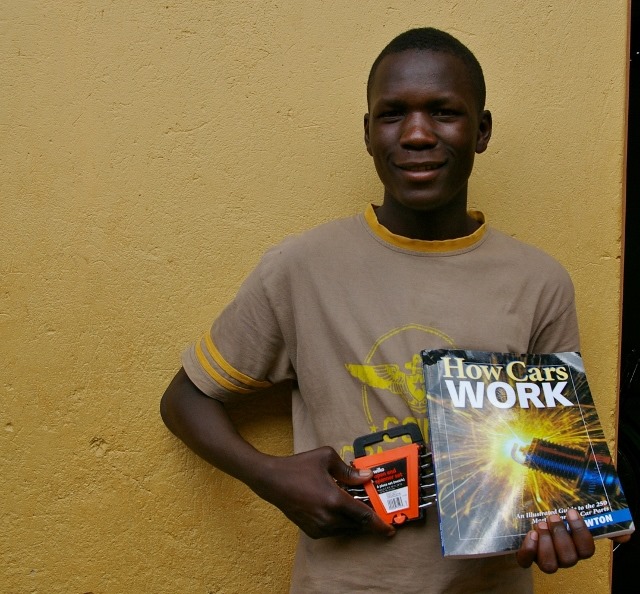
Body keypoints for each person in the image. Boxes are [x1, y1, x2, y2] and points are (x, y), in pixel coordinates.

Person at [161, 27, 629, 593]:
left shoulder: (540, 283)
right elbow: (185, 399)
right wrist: (271, 476)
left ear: (480, 131)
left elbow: (551, 468)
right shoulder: (301, 268)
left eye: (444, 112)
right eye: (391, 114)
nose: (416, 134)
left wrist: (561, 521)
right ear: (367, 133)